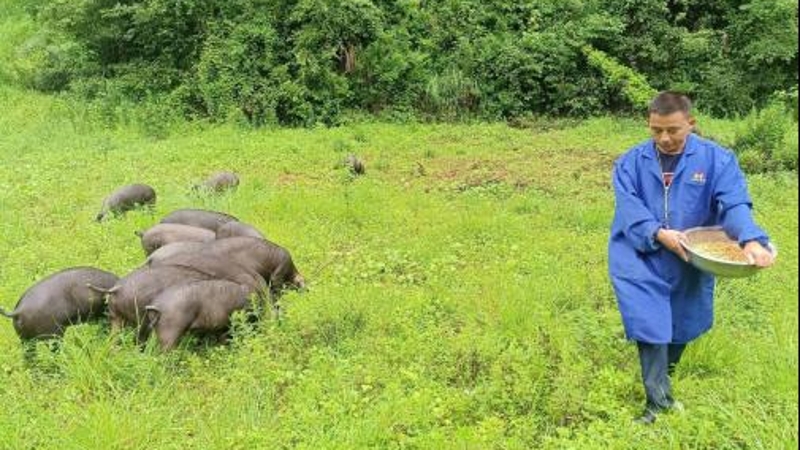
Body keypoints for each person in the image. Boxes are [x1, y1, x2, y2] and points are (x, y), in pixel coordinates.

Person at [608, 91, 776, 425]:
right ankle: (657, 405)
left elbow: (735, 204)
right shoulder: (630, 162)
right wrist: (658, 233)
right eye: (656, 131)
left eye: (673, 130)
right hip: (638, 252)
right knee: (649, 323)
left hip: (690, 254)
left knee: (683, 322)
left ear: (691, 124)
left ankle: (663, 375)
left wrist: (751, 239)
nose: (664, 138)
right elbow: (630, 208)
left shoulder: (717, 160)